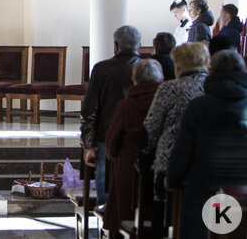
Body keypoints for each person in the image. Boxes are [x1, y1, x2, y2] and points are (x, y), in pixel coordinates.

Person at [167, 49, 247, 239]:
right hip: (241, 190)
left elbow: (183, 151)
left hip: (203, 190)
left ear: (211, 71)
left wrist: (172, 179)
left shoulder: (199, 106)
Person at [142, 41, 208, 234]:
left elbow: (151, 128)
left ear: (178, 65)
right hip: (205, 165)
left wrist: (145, 157)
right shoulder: (212, 89)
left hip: (170, 165)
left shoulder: (169, 88)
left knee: (164, 219)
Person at [80, 25, 142, 204]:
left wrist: (88, 145)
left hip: (105, 136)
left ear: (115, 45)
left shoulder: (101, 69)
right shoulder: (148, 69)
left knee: (104, 179)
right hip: (138, 137)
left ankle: (105, 223)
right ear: (139, 44)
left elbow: (89, 109)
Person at [103, 59, 163, 234]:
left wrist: (116, 156)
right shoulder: (166, 101)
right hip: (159, 173)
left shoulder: (126, 106)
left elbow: (112, 142)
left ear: (135, 79)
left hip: (129, 172)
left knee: (123, 217)